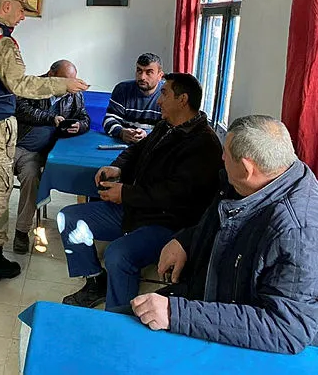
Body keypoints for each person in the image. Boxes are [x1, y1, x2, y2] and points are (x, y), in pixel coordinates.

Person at [131, 115, 318, 354]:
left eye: (226, 154)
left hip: (241, 335)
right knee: (123, 322)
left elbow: (287, 329)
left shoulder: (297, 231)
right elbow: (224, 220)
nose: (221, 158)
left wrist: (176, 313)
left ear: (248, 167)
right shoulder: (263, 177)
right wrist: (186, 240)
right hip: (206, 295)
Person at [0, 0, 89, 282]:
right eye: (23, 9)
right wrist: (62, 86)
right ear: (7, 6)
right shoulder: (3, 42)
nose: (24, 16)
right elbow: (21, 86)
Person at [59, 73, 222, 310]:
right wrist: (117, 167)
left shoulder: (204, 145)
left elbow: (175, 195)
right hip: (137, 209)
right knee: (70, 218)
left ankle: (119, 316)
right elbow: (136, 151)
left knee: (118, 255)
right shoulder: (168, 126)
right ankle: (95, 281)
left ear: (183, 99)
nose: (158, 101)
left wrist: (125, 194)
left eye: (164, 94)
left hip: (169, 223)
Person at [0, 59, 90, 254]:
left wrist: (79, 126)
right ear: (51, 74)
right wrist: (50, 119)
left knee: (32, 177)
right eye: (65, 80)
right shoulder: (32, 85)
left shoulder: (73, 96)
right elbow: (21, 110)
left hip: (36, 153)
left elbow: (84, 118)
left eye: (72, 81)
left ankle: (22, 231)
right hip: (11, 146)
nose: (70, 85)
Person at [103, 53, 164, 144]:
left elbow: (171, 128)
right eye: (139, 71)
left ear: (160, 76)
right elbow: (109, 120)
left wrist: (147, 134)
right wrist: (121, 132)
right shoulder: (122, 89)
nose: (142, 77)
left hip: (153, 146)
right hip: (123, 144)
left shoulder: (167, 94)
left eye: (149, 72)